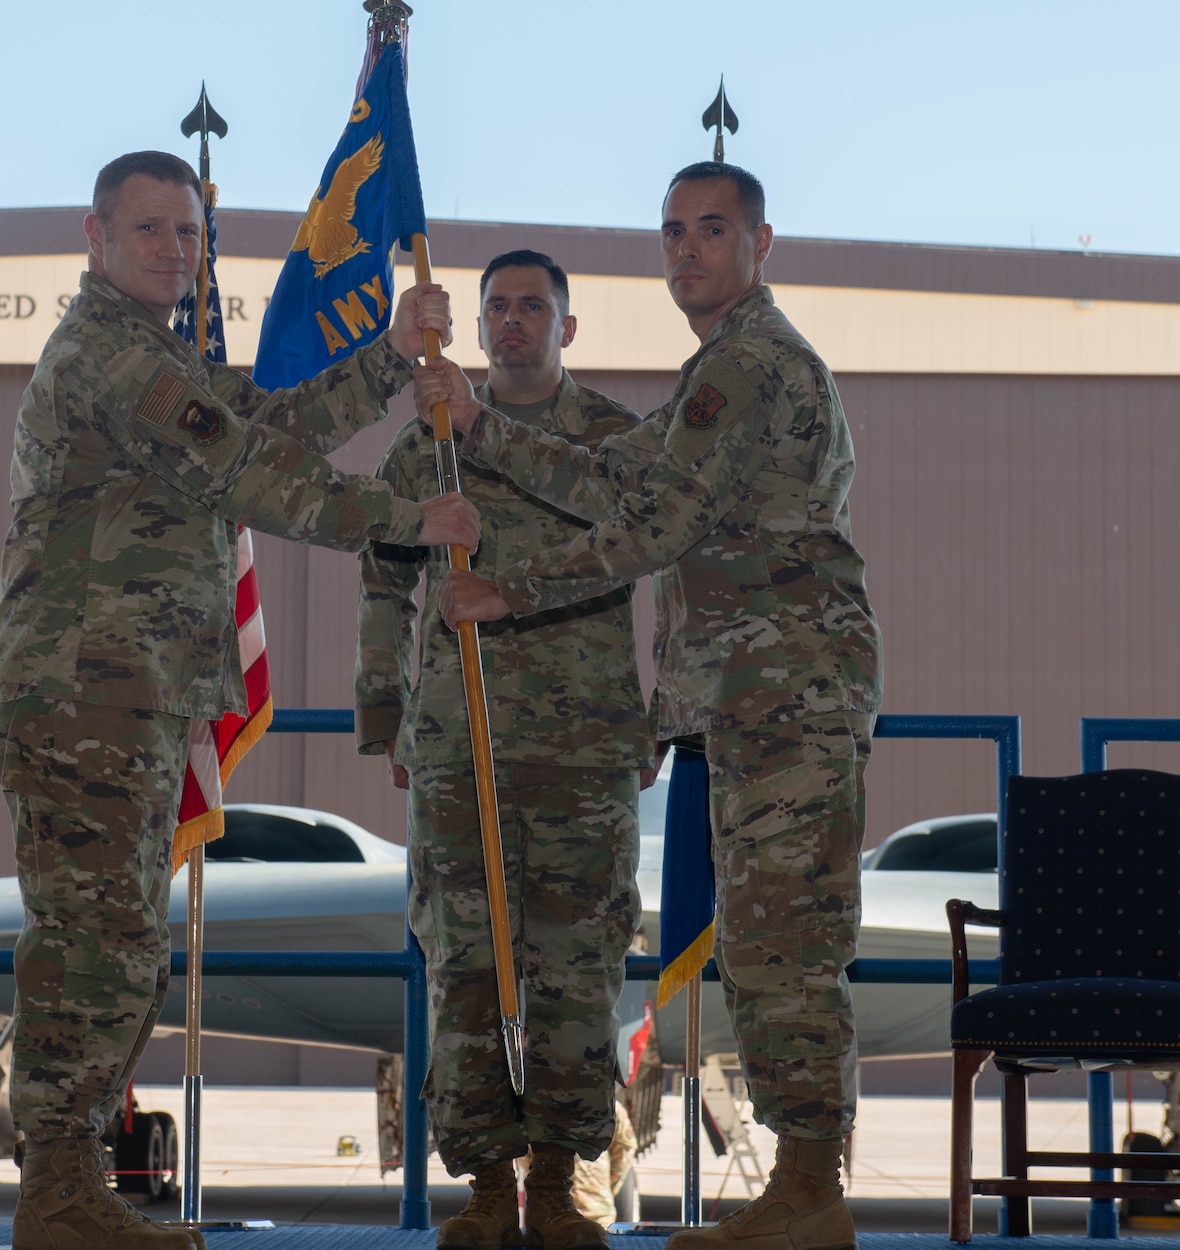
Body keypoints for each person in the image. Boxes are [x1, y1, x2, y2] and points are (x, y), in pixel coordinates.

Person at [0, 149, 477, 1250]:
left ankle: (66, 1186)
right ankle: (57, 1190)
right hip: (87, 689)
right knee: (93, 938)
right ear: (96, 237)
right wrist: (402, 519)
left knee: (112, 939)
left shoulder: (156, 355)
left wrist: (392, 356)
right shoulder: (110, 358)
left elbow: (264, 424)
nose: (173, 249)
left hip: (132, 688)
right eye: (151, 229)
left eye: (189, 232)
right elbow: (250, 471)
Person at [418, 162, 882, 1250]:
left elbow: (650, 521)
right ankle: (802, 1187)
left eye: (710, 230)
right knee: (765, 944)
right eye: (670, 231)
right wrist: (480, 429)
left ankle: (811, 1190)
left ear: (759, 242)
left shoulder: (754, 366)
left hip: (784, 698)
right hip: (749, 700)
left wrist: (509, 589)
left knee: (786, 941)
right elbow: (619, 468)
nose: (685, 250)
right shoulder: (715, 372)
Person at [355, 249, 651, 1250]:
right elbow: (383, 576)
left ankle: (565, 1178)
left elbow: (643, 534)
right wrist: (383, 703)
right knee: (464, 964)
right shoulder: (425, 445)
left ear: (568, 327)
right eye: (497, 308)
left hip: (585, 746)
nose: (513, 321)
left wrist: (661, 707)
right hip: (458, 740)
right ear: (475, 327)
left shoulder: (614, 438)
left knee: (577, 966)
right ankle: (485, 1182)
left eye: (534, 306)